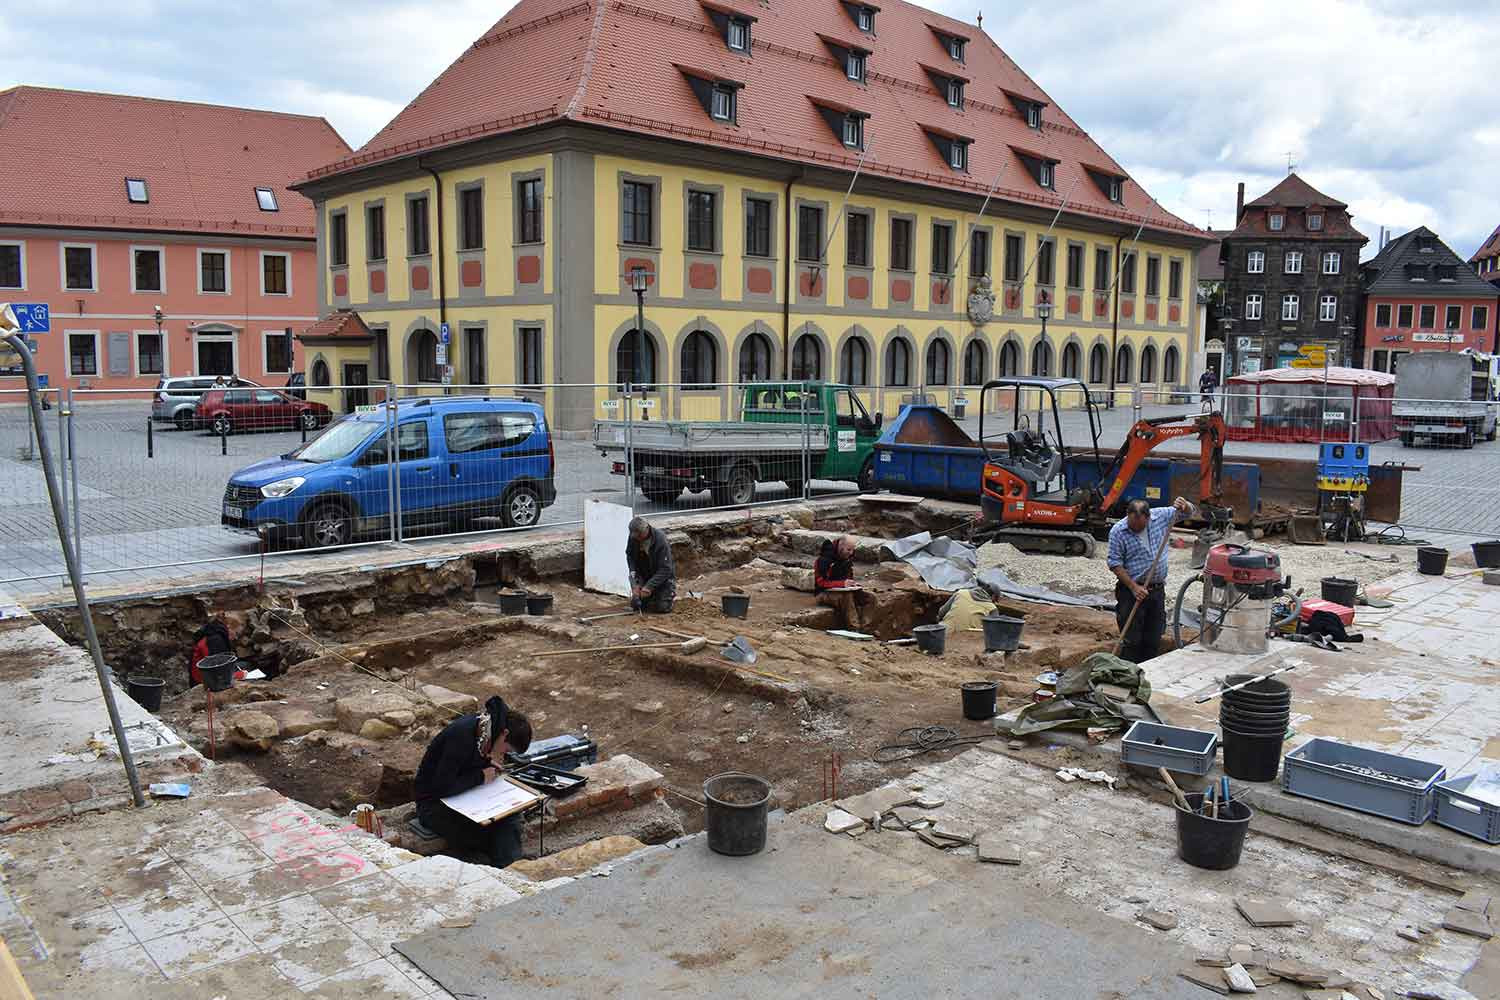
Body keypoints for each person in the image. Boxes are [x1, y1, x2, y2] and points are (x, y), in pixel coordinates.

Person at [413, 695, 534, 869]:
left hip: (465, 797)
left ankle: (507, 866)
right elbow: (441, 786)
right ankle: (504, 867)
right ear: (504, 734)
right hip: (433, 804)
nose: (504, 755)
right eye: (506, 750)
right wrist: (480, 777)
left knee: (511, 816)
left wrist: (486, 764)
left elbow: (468, 763)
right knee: (486, 829)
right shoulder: (462, 734)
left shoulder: (487, 732)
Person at [1106, 496, 1195, 663]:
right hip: (1131, 593)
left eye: (1140, 526)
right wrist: (1133, 587)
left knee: (1153, 638)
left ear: (1148, 517)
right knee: (1132, 640)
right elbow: (1114, 563)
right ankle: (1129, 673)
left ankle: (1149, 672)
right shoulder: (1118, 531)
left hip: (1156, 591)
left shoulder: (1160, 516)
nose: (1136, 529)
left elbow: (1189, 513)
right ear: (1128, 515)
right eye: (1133, 525)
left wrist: (1185, 505)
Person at [815, 535, 873, 632]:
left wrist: (852, 584)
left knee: (871, 598)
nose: (851, 553)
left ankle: (866, 628)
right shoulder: (824, 560)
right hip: (823, 593)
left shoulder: (846, 558)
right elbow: (821, 583)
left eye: (852, 550)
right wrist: (842, 584)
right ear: (840, 546)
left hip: (842, 590)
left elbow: (848, 576)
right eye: (848, 550)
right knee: (847, 596)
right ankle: (855, 630)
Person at [626, 516, 676, 612]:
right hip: (644, 574)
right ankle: (650, 597)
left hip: (663, 579)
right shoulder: (633, 537)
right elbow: (630, 557)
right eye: (635, 536)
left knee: (662, 607)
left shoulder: (660, 540)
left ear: (647, 528)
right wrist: (635, 583)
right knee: (637, 604)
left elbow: (666, 569)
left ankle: (667, 595)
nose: (637, 539)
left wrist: (649, 586)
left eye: (639, 535)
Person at [188, 617, 233, 688]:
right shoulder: (216, 640)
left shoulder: (210, 633)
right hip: (202, 679)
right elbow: (216, 665)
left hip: (196, 676)